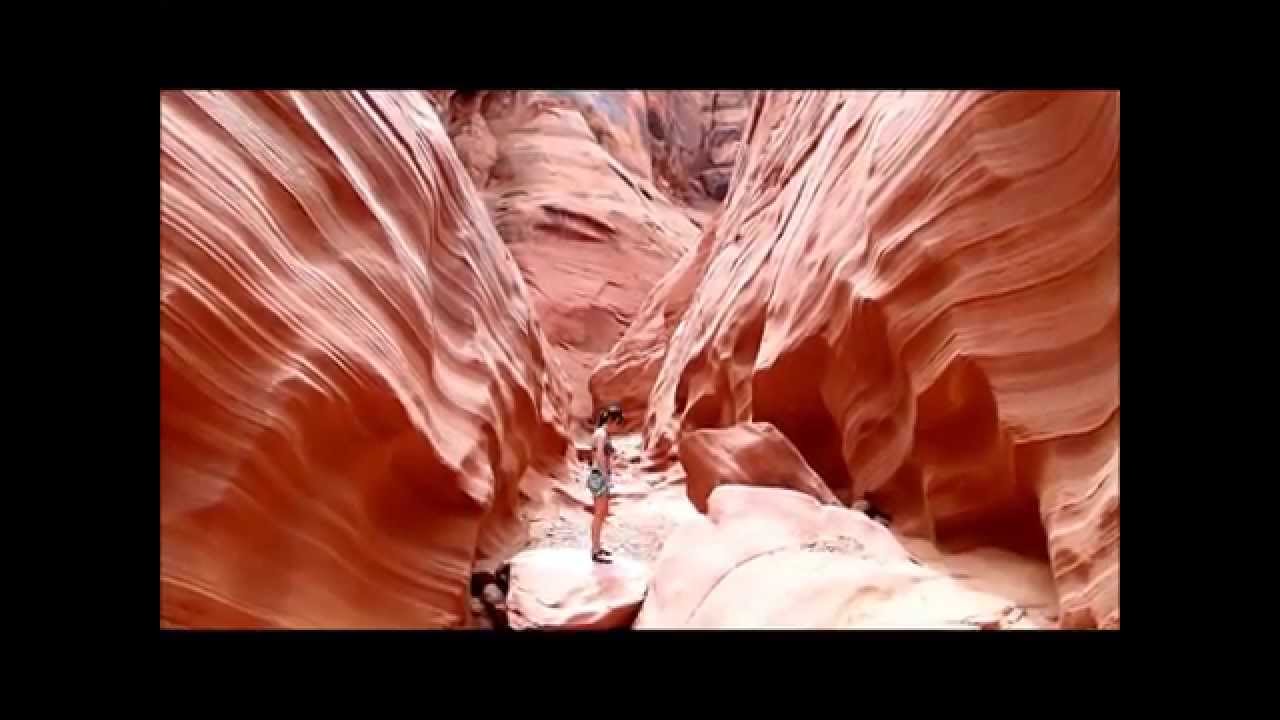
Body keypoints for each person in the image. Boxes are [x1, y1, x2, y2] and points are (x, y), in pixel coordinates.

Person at [587, 403, 624, 563]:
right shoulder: (601, 434)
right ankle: (595, 550)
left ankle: (598, 546)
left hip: (600, 475)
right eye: (617, 423)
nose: (617, 427)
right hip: (599, 476)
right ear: (611, 420)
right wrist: (605, 476)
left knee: (602, 513)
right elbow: (600, 456)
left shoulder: (603, 434)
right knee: (599, 513)